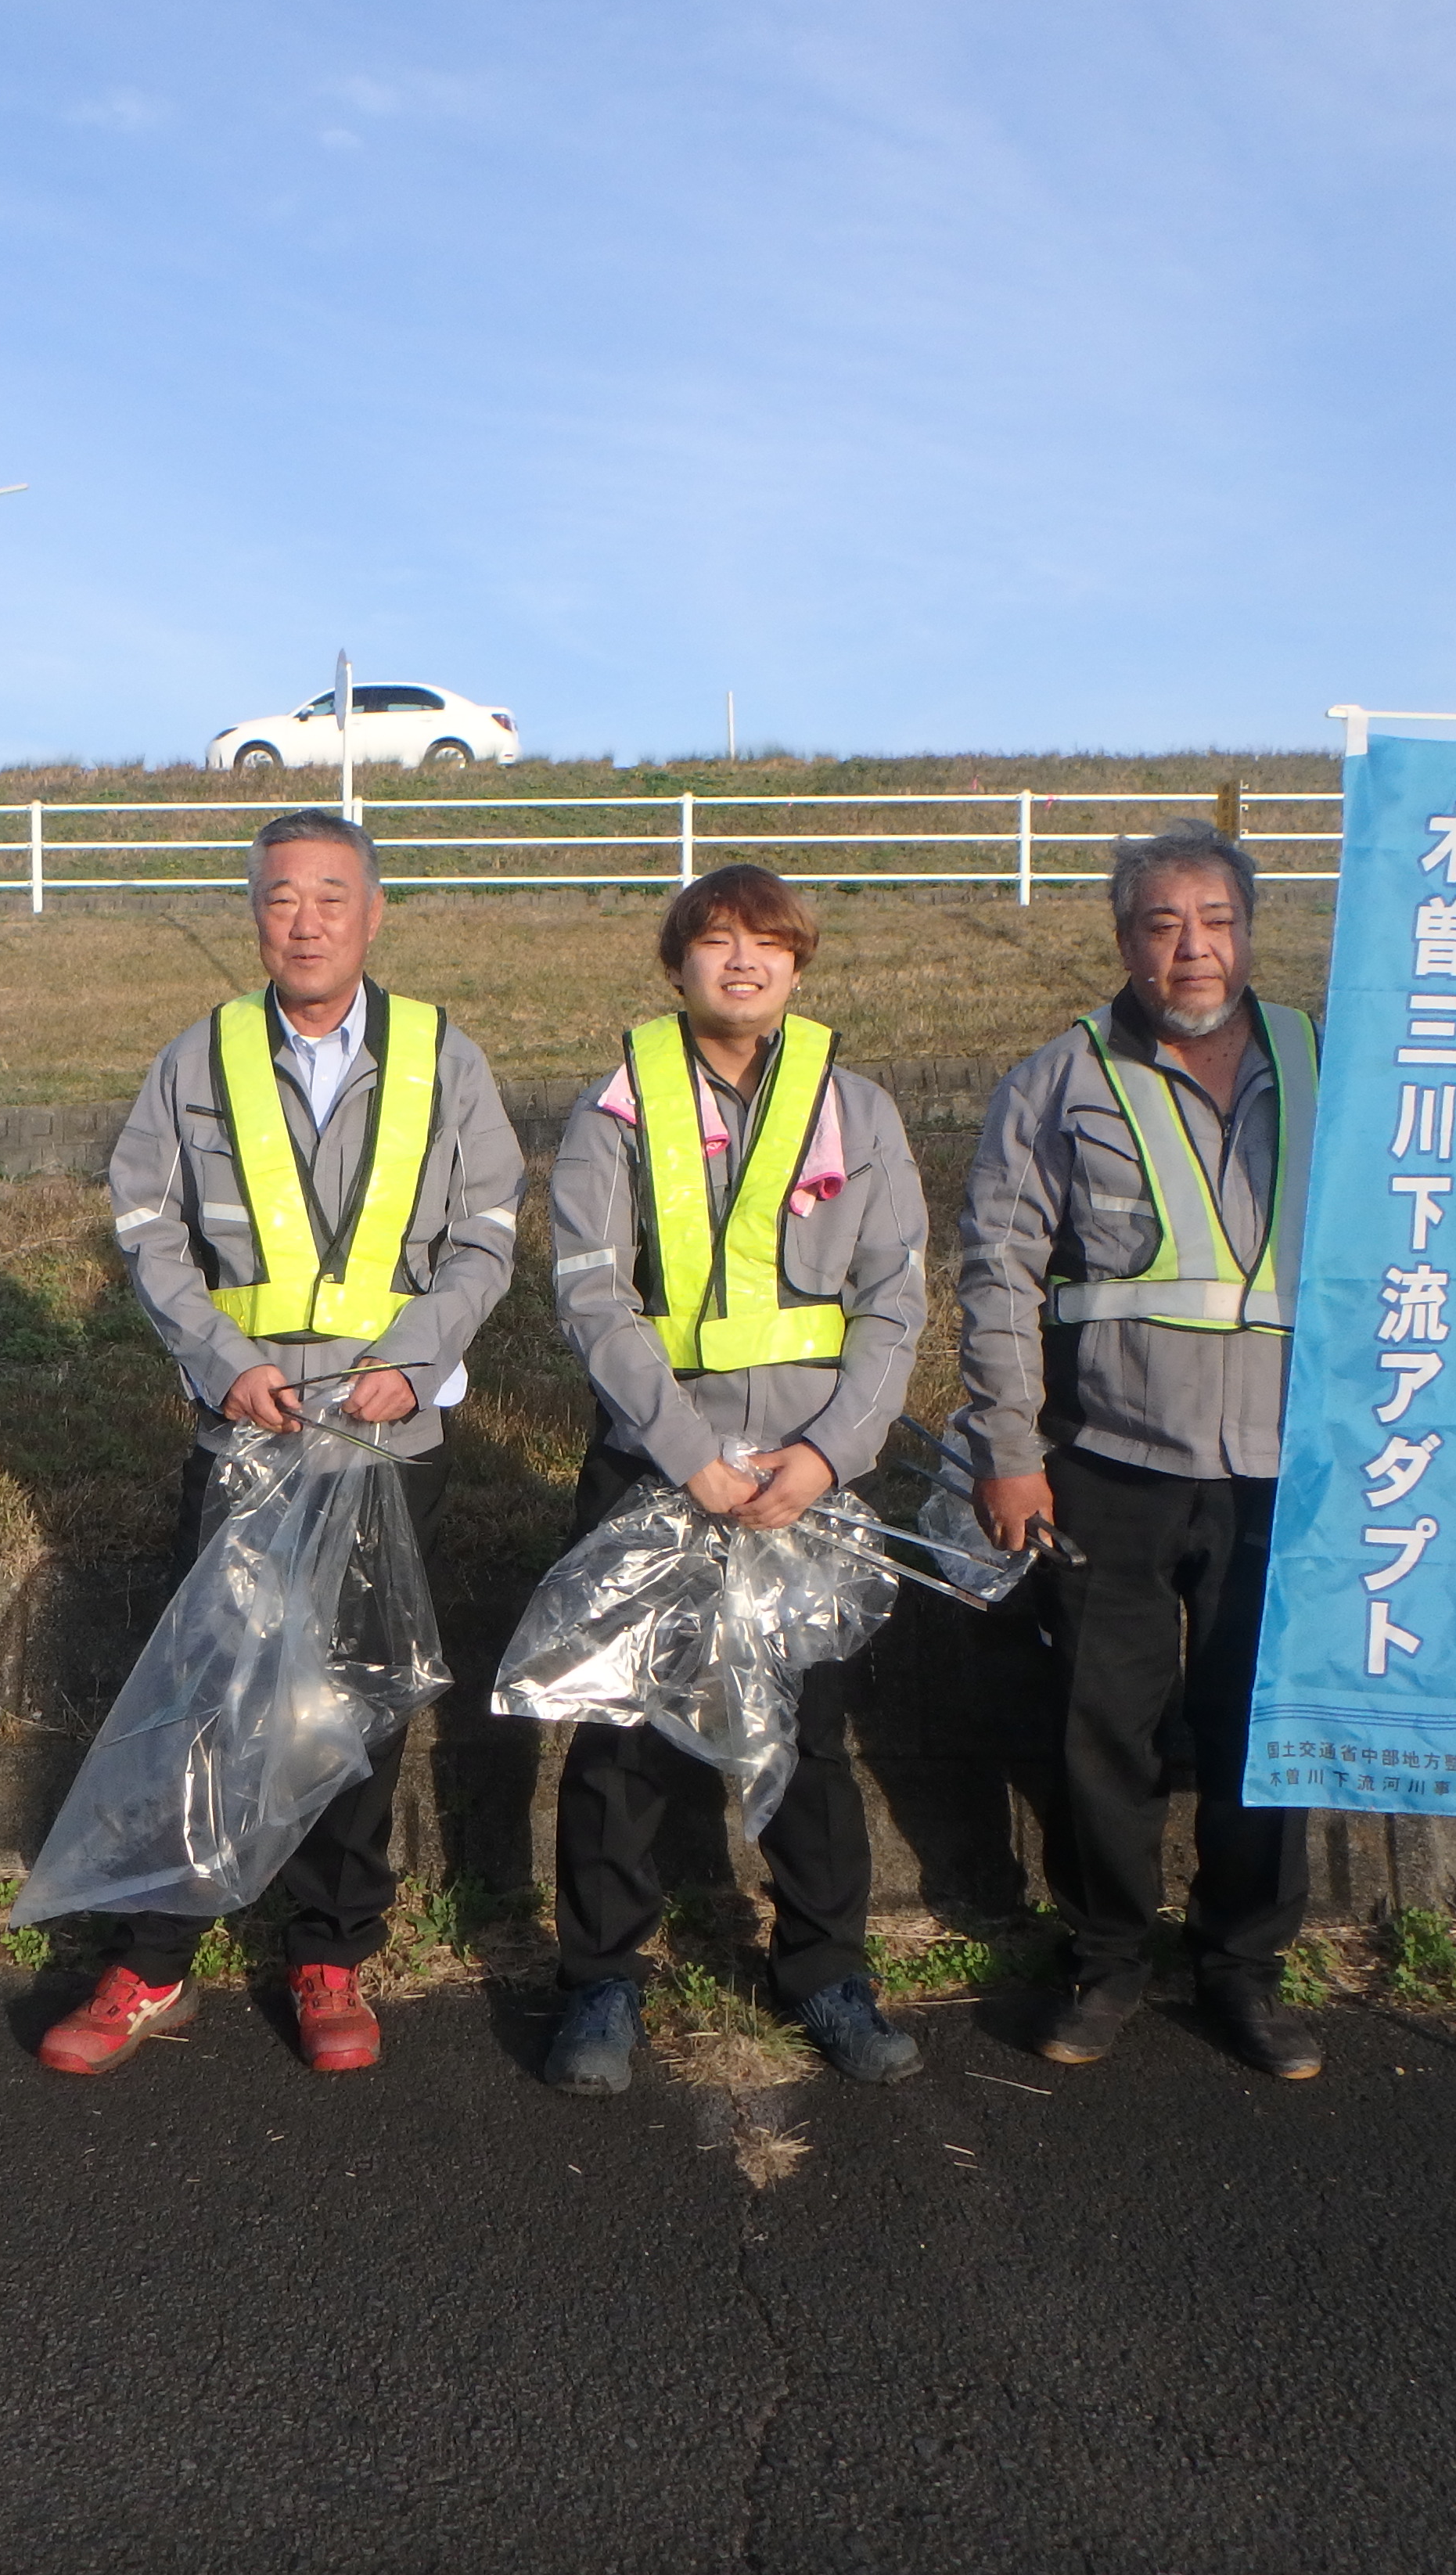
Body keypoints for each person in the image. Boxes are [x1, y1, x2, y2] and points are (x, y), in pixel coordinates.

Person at [952, 819, 1456, 2080]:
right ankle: (1106, 1961)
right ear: (1124, 942)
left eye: (1215, 922)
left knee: (1262, 1728)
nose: (1192, 949)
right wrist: (1009, 1446)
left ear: (1249, 933)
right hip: (1107, 1457)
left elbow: (1452, 1168)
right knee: (1097, 1729)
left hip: (1300, 1463)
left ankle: (1244, 1971)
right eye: (1163, 925)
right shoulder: (1055, 1081)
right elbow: (996, 1272)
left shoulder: (1336, 1063)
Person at [38, 809, 525, 2079]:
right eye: (278, 898)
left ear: (373, 914)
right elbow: (145, 1228)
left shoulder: (441, 1056)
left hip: (389, 1437)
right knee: (216, 1694)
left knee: (358, 1700)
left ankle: (330, 1952)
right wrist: (220, 1361)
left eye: (329, 896)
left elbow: (486, 1234)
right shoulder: (195, 1060)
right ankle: (155, 1956)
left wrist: (409, 1364)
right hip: (246, 1428)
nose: (303, 920)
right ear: (254, 915)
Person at [532, 865, 933, 2095]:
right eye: (717, 941)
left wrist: (823, 1459)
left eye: (769, 942)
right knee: (619, 1731)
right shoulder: (616, 1112)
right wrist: (689, 1456)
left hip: (807, 1477)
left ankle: (826, 1975)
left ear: (800, 965)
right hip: (660, 1467)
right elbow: (592, 1294)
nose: (744, 961)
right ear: (678, 964)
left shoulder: (858, 1112)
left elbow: (895, 1302)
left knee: (809, 1734)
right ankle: (603, 1979)